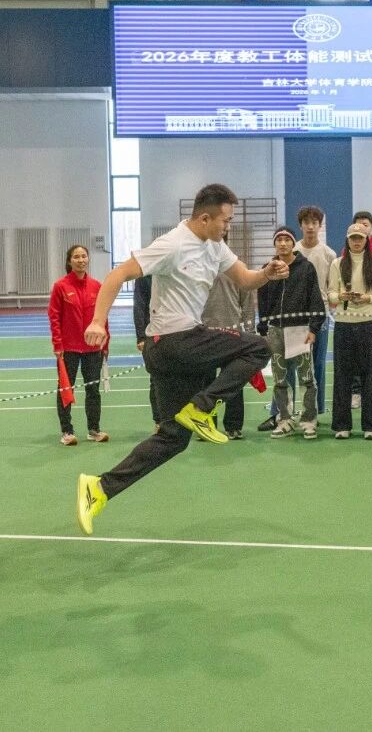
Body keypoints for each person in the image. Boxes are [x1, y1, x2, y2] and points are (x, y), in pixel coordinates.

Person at [75, 184, 287, 536]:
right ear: (204, 218)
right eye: (225, 220)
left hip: (178, 350)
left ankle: (98, 488)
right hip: (172, 341)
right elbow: (116, 275)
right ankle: (202, 407)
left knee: (174, 438)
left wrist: (268, 273)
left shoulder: (215, 246)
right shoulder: (172, 244)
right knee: (258, 347)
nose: (229, 226)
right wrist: (98, 321)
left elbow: (246, 280)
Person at [259, 225, 325, 439]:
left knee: (306, 377)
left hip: (300, 330)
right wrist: (263, 328)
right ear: (274, 244)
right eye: (279, 240)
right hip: (275, 331)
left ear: (293, 243)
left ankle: (308, 421)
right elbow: (263, 301)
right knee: (280, 379)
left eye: (287, 239)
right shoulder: (267, 269)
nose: (283, 243)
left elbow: (315, 297)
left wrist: (313, 327)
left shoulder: (306, 268)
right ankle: (284, 420)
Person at [328, 225, 372, 439]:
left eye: (360, 238)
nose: (356, 241)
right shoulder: (337, 263)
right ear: (347, 240)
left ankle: (371, 426)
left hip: (368, 324)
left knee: (371, 375)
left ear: (366, 240)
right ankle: (341, 425)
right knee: (342, 375)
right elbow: (330, 294)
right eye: (353, 238)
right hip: (343, 324)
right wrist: (341, 297)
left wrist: (368, 298)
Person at [49, 245, 110, 446]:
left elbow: (102, 317)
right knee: (66, 390)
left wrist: (105, 342)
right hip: (69, 349)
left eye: (84, 256)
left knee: (93, 390)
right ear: (69, 261)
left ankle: (94, 430)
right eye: (76, 257)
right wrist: (58, 344)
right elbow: (54, 317)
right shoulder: (60, 286)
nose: (81, 260)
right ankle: (67, 431)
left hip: (93, 348)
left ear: (88, 259)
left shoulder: (96, 286)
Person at [201, 238, 258, 439]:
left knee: (233, 381)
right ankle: (206, 423)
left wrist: (250, 331)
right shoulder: (198, 267)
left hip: (233, 334)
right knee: (206, 383)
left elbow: (247, 301)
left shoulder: (238, 267)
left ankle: (233, 426)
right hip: (204, 334)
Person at [294, 206, 336, 419]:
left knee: (318, 363)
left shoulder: (329, 254)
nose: (310, 227)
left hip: (320, 316)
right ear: (300, 225)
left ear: (320, 226)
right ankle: (287, 410)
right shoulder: (292, 251)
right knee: (294, 363)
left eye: (314, 223)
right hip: (295, 317)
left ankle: (317, 409)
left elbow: (331, 287)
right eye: (306, 222)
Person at [132, 274, 161, 429]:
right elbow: (139, 305)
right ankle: (159, 421)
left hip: (178, 331)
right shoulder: (144, 276)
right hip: (152, 335)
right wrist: (141, 337)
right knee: (156, 379)